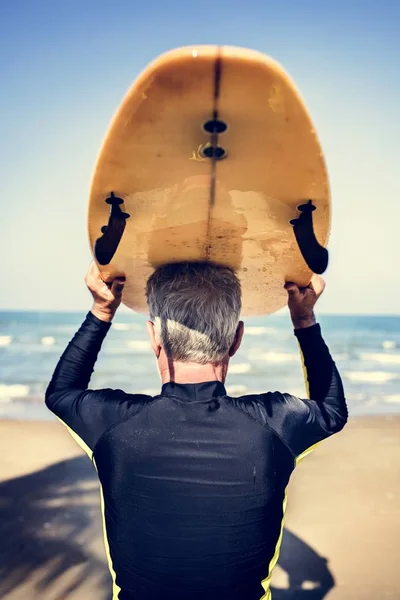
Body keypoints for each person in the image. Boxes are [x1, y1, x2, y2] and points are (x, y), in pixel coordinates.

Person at [46, 261, 347, 600]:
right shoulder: (275, 424)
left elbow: (61, 393)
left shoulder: (113, 425)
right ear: (236, 339)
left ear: (153, 338)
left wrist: (101, 310)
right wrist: (304, 320)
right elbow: (332, 410)